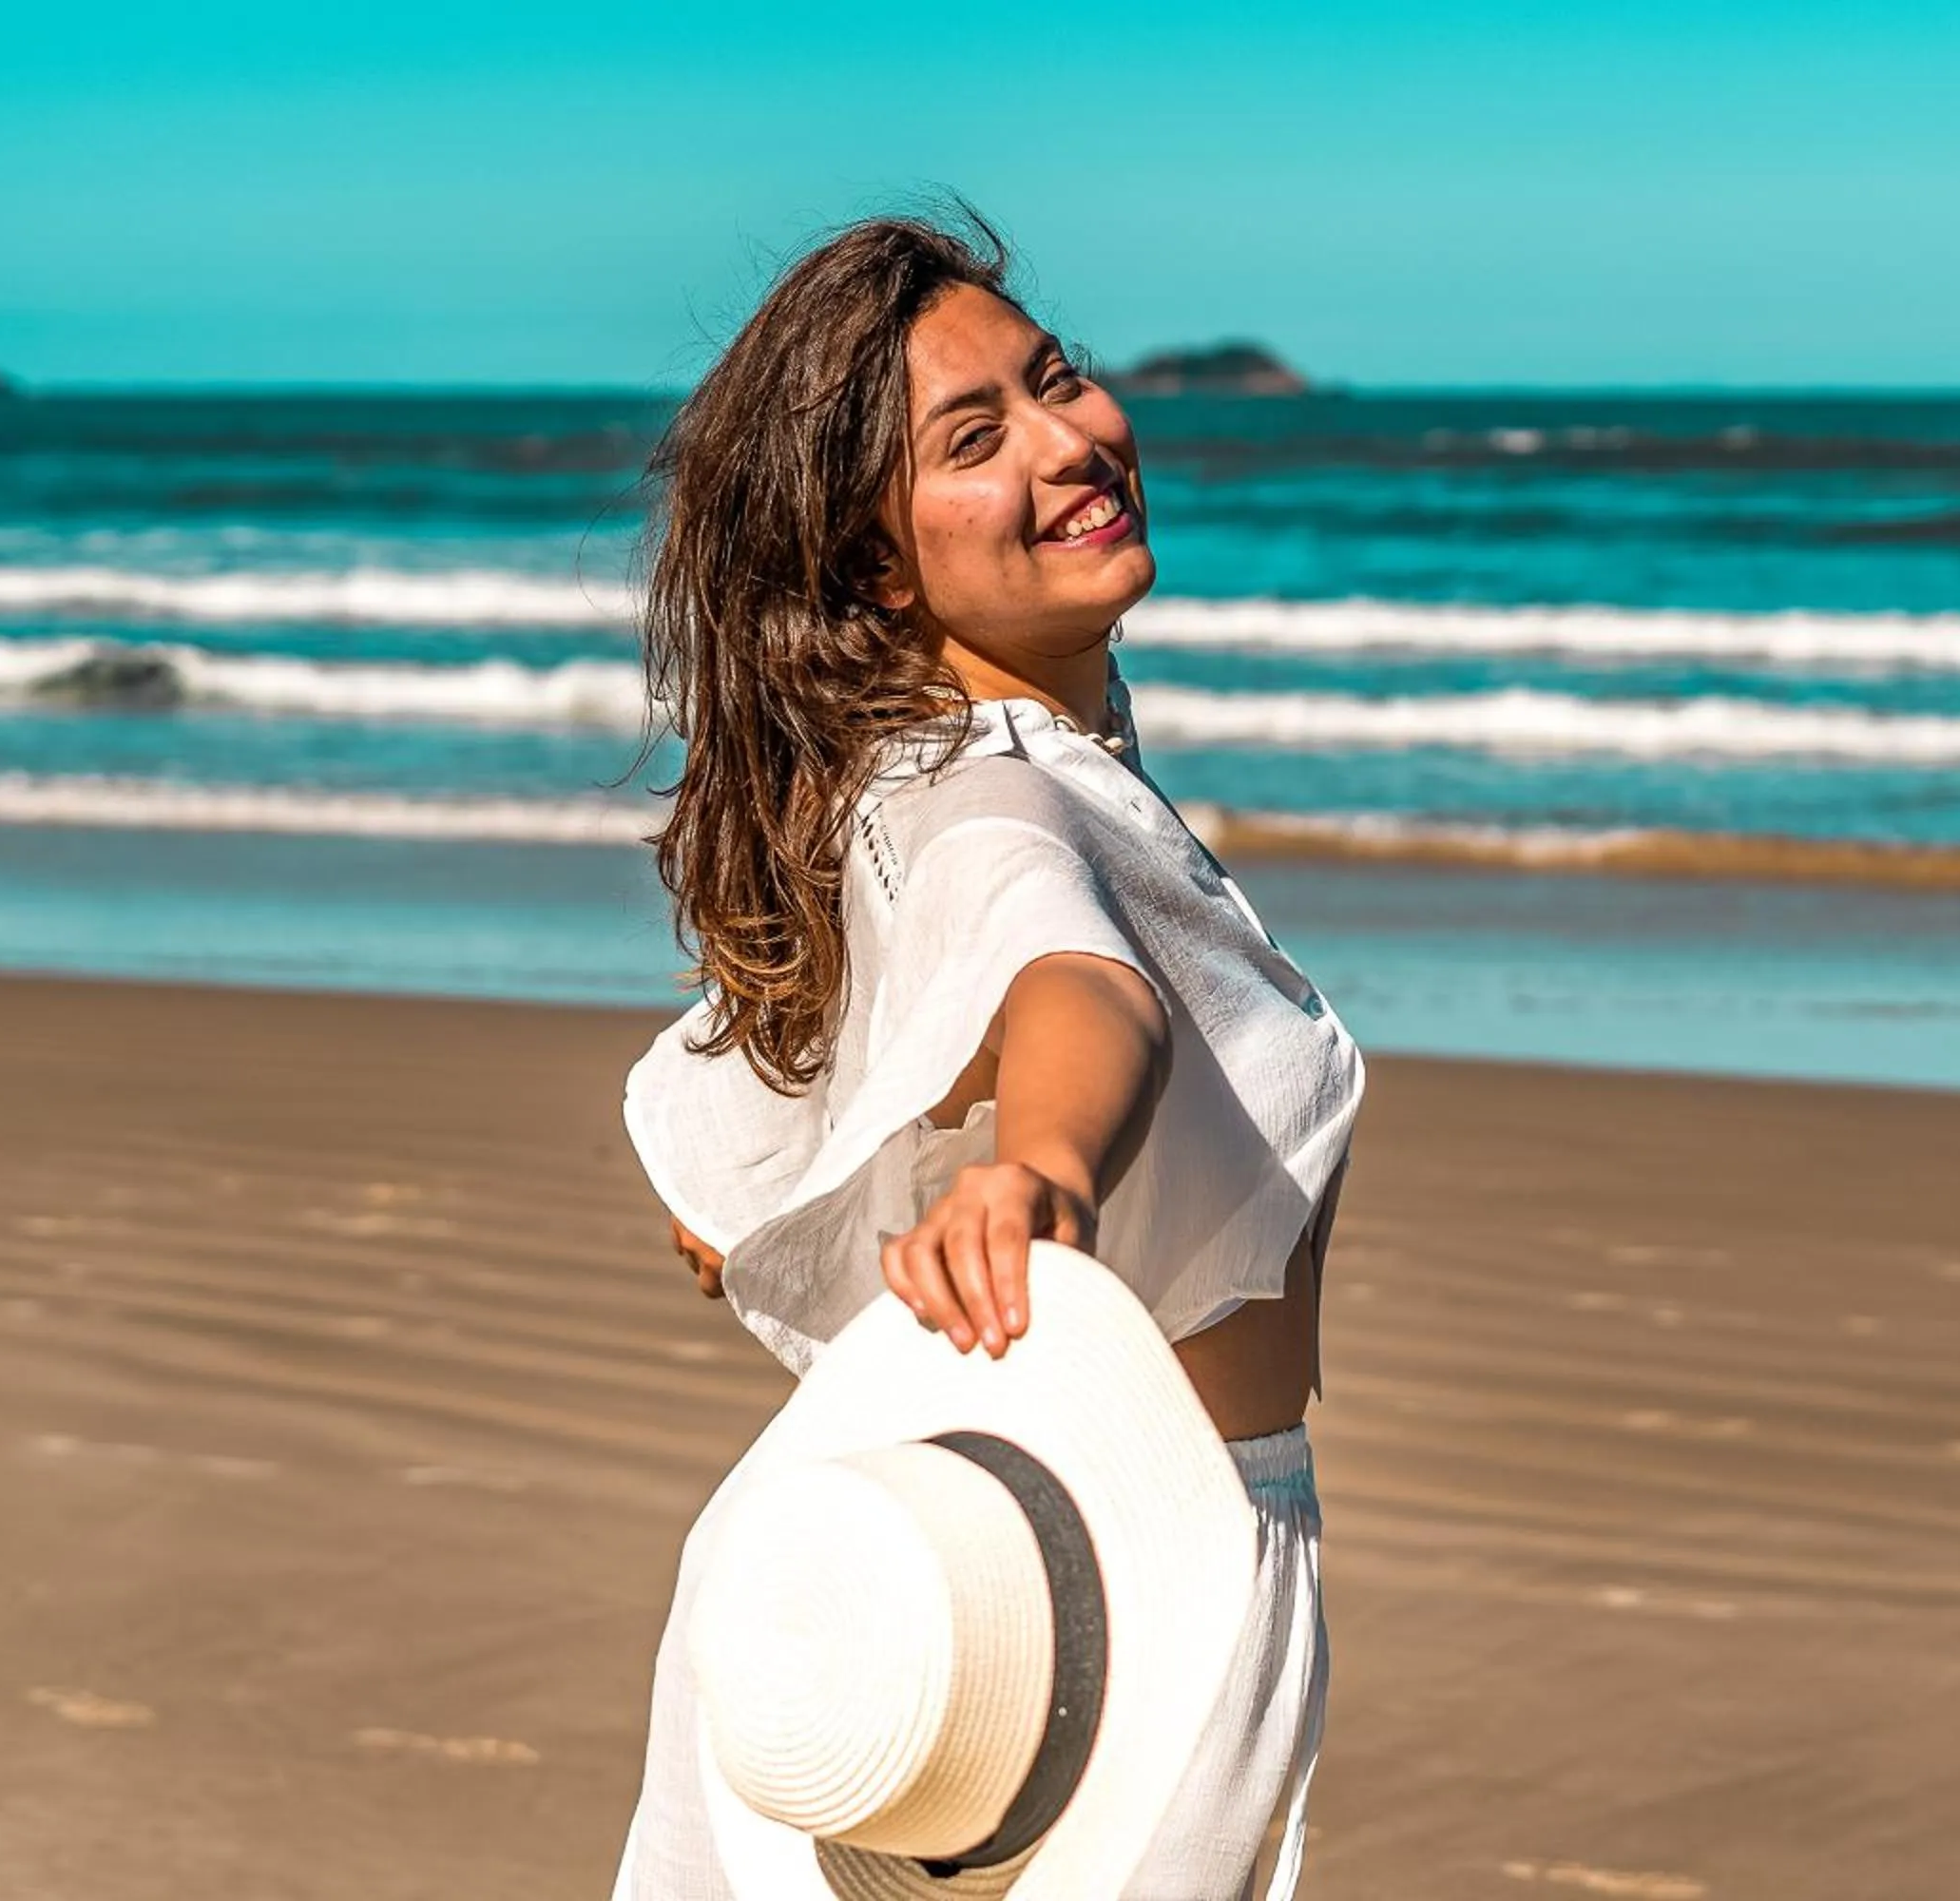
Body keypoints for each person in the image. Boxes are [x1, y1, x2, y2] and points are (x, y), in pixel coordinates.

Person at [612, 209, 1364, 1901]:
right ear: (879, 570)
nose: (1069, 440)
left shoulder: (907, 774)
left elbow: (722, 1170)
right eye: (974, 439)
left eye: (1056, 378)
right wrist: (1045, 1164)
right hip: (1096, 1605)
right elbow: (1076, 980)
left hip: (965, 1590)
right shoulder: (999, 795)